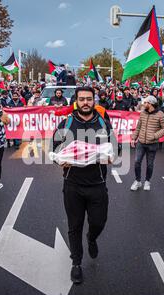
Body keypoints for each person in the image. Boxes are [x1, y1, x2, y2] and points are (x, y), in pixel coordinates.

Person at [52, 86, 117, 284]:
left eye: (89, 99)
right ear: (76, 101)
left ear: (94, 101)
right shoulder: (67, 122)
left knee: (98, 222)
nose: (86, 102)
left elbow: (115, 147)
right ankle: (76, 263)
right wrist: (59, 160)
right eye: (82, 99)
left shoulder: (103, 123)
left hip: (97, 184)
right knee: (74, 226)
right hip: (73, 185)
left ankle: (92, 238)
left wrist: (110, 157)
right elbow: (53, 148)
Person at [130, 95, 164, 191]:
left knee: (150, 164)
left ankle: (147, 181)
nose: (143, 104)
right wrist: (133, 138)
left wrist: (155, 136)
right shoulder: (143, 113)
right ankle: (138, 181)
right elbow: (138, 127)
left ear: (151, 104)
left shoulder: (161, 115)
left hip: (152, 144)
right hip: (141, 142)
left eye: (145, 102)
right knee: (137, 162)